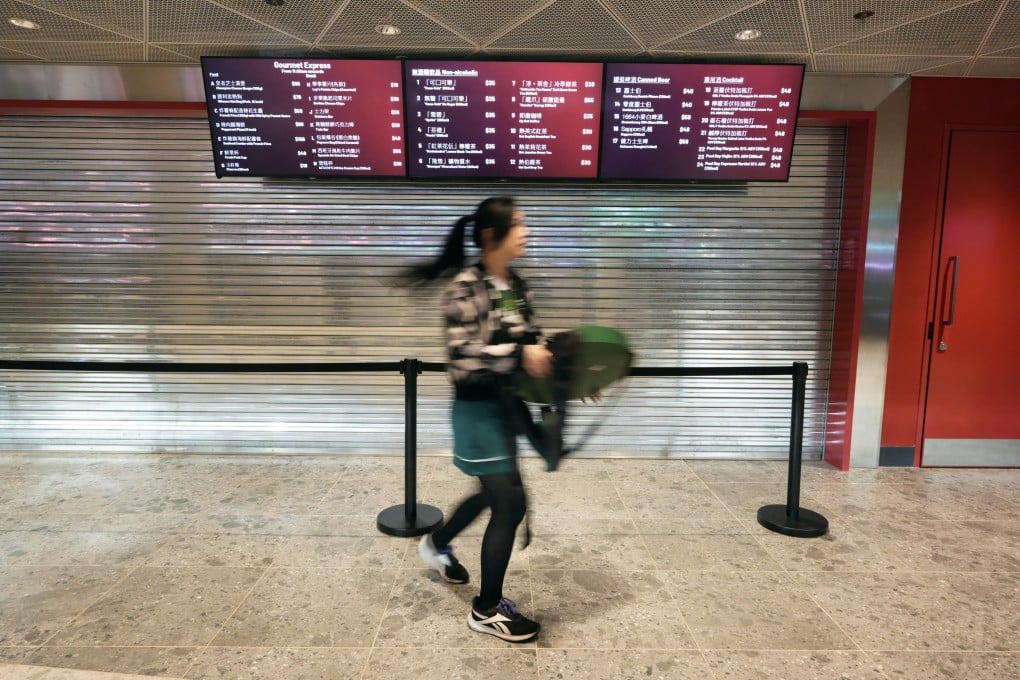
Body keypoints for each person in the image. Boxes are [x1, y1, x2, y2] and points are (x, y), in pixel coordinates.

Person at [400, 196, 552, 643]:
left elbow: (534, 336)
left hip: (507, 410)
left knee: (490, 492)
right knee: (508, 501)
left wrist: (569, 373)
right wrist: (520, 353)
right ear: (491, 236)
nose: (526, 232)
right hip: (476, 411)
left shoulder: (515, 284)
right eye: (519, 224)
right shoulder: (465, 287)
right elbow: (463, 357)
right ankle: (486, 610)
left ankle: (435, 543)